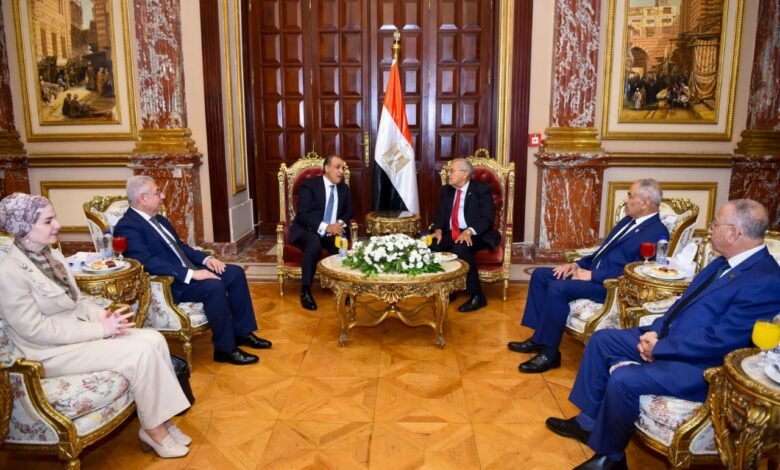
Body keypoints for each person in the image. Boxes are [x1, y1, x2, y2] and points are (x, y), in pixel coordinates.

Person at [546, 200, 780, 470]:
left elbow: (721, 341)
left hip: (702, 366)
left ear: (734, 233)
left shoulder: (766, 280)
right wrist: (656, 331)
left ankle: (611, 459)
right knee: (603, 340)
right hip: (669, 339)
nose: (710, 229)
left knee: (623, 379)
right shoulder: (722, 262)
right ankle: (587, 423)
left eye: (715, 224)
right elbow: (681, 304)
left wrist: (660, 348)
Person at [0, 193, 193, 458]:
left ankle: (163, 421)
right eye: (48, 221)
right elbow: (35, 330)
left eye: (54, 218)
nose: (57, 225)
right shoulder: (9, 272)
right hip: (47, 352)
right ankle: (155, 431)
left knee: (154, 339)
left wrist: (102, 316)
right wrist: (100, 330)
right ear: (24, 227)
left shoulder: (51, 255)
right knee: (140, 352)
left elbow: (77, 301)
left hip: (76, 337)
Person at [510, 179, 668, 373]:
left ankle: (550, 354)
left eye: (630, 195)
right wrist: (576, 264)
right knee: (540, 275)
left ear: (644, 202)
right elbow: (600, 253)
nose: (626, 200)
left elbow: (637, 272)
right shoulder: (627, 221)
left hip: (610, 286)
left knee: (558, 288)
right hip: (591, 274)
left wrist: (593, 275)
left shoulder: (657, 233)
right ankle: (539, 339)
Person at [114, 176, 271, 366]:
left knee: (235, 273)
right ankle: (225, 349)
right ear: (143, 198)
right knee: (213, 286)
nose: (163, 196)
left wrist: (207, 259)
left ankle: (242, 333)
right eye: (158, 192)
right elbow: (146, 261)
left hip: (189, 270)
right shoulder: (128, 226)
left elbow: (181, 248)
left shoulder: (159, 219)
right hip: (172, 282)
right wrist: (191, 274)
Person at [430, 157, 499, 312]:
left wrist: (469, 231)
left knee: (460, 248)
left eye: (452, 171)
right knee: (433, 245)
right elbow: (440, 214)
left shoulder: (481, 190)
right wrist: (438, 229)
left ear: (465, 173)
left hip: (476, 233)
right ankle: (448, 289)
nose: (448, 174)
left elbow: (488, 219)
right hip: (452, 232)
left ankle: (477, 295)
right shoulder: (447, 190)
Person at [290, 155, 353, 311]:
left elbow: (349, 211)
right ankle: (305, 291)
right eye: (337, 167)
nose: (341, 171)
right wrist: (326, 227)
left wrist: (338, 224)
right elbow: (303, 215)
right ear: (326, 168)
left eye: (343, 168)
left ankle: (343, 288)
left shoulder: (343, 189)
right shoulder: (309, 185)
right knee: (314, 244)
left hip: (331, 231)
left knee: (340, 245)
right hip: (307, 230)